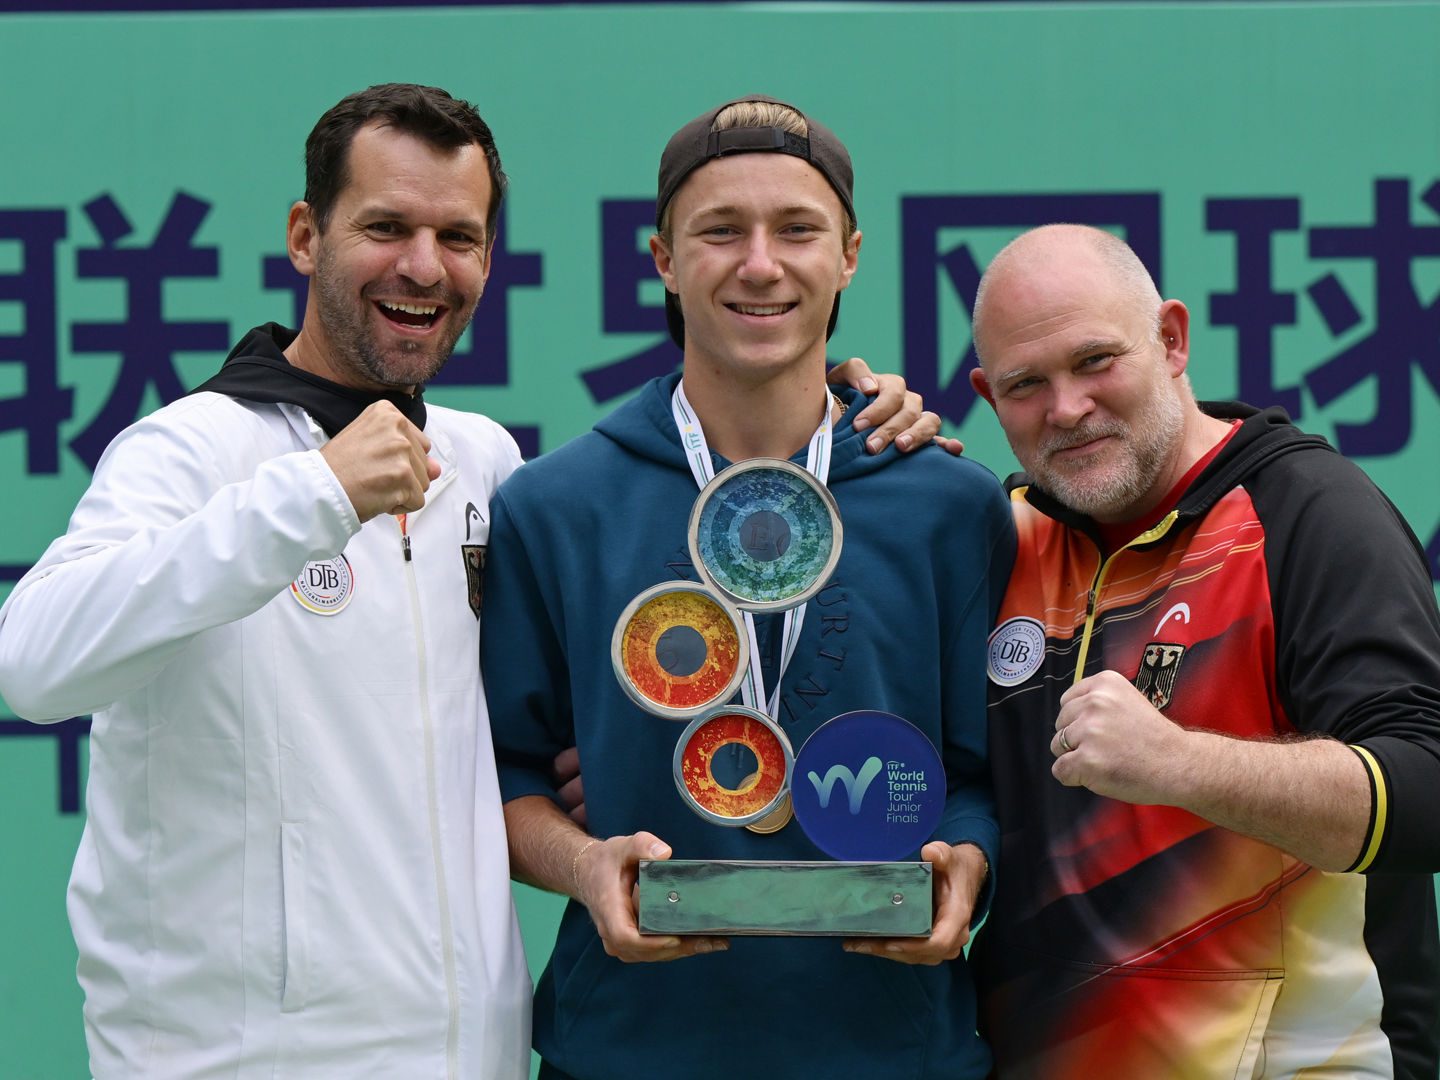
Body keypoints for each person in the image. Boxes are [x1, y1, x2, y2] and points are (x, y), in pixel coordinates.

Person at [0, 83, 937, 1079]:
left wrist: (832, 411)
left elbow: (522, 744)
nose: (422, 266)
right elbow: (33, 664)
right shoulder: (194, 451)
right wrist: (312, 497)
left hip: (469, 1056)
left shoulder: (483, 462)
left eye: (459, 235)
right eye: (385, 227)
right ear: (306, 236)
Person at [480, 95, 1015, 1080]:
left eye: (796, 230)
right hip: (628, 1053)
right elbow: (501, 780)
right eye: (719, 231)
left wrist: (966, 871)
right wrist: (583, 865)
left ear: (849, 255)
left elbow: (986, 773)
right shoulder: (556, 506)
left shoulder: (951, 504)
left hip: (897, 1051)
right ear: (662, 259)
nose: (759, 264)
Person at [963, 223, 1440, 1079]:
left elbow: (1427, 785)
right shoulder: (1003, 539)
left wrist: (1182, 764)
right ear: (987, 396)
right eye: (1025, 383)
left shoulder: (1311, 512)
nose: (1066, 408)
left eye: (1096, 361)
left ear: (1172, 340)